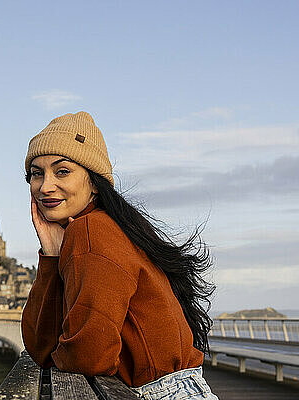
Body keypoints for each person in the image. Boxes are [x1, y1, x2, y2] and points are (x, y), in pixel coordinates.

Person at [21, 111, 218, 399]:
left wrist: (61, 353)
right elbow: (41, 347)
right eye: (37, 173)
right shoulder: (103, 228)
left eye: (62, 171)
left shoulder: (92, 230)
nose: (45, 186)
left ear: (93, 181)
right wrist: (51, 258)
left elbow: (88, 355)